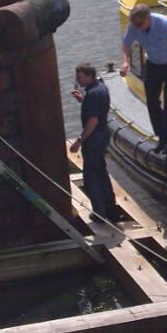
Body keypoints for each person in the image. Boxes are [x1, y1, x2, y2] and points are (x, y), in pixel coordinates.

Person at [120, 4, 167, 155]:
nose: (137, 28)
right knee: (151, 101)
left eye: (140, 24)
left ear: (148, 18)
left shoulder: (163, 25)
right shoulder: (134, 26)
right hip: (153, 65)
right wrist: (124, 61)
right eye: (135, 24)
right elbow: (126, 44)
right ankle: (162, 138)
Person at [70, 63, 116, 223]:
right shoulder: (101, 87)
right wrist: (82, 100)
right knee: (101, 172)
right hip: (103, 135)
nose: (78, 80)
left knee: (90, 176)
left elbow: (93, 120)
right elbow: (100, 109)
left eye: (80, 76)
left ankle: (99, 214)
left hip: (94, 138)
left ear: (89, 76)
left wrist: (79, 140)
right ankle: (111, 209)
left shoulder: (93, 94)